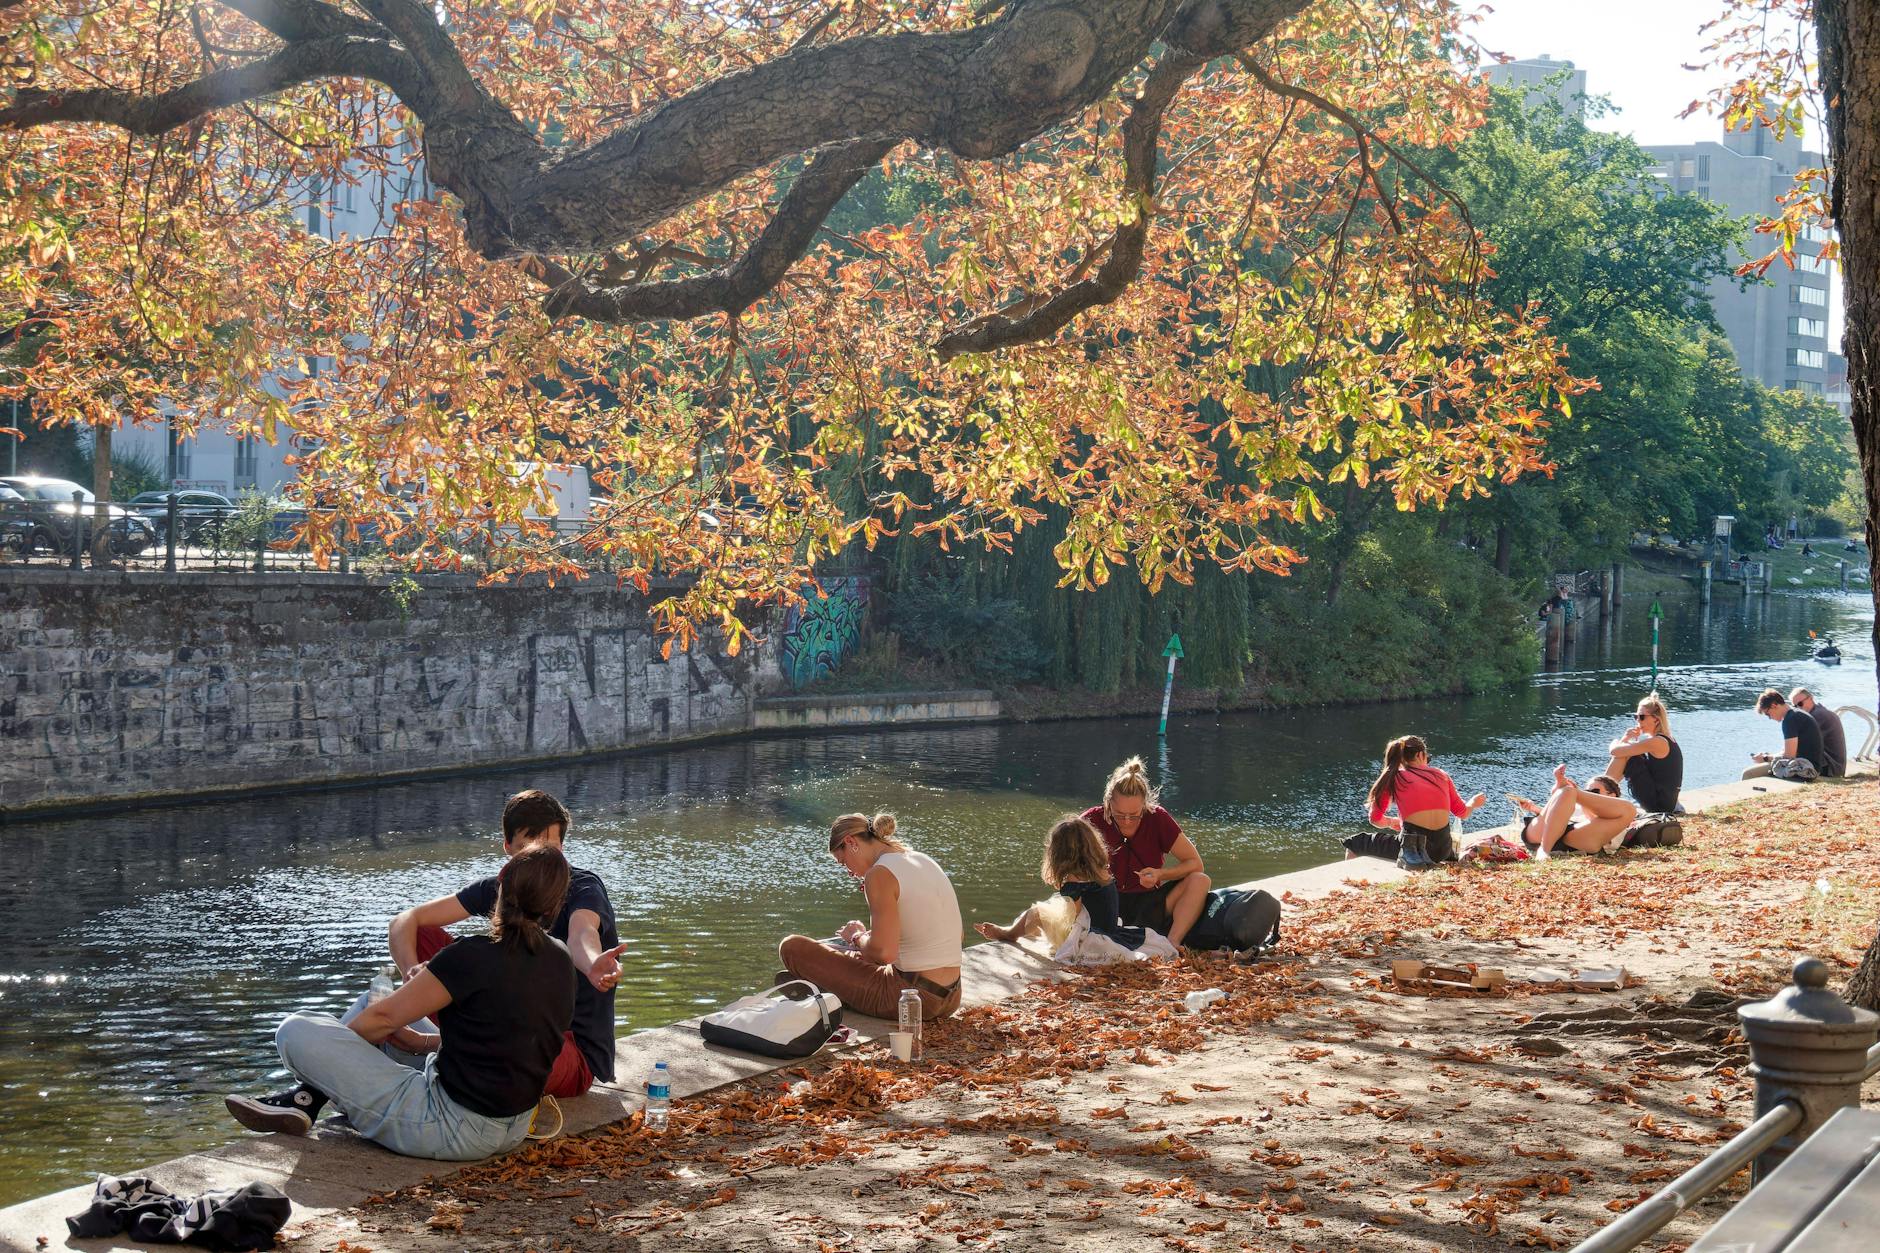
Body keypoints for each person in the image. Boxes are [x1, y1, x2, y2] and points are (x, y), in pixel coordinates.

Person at [224, 844, 577, 1159]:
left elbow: (382, 1021)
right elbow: (513, 1039)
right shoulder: (561, 959)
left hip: (448, 1125)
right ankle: (307, 1101)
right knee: (368, 1003)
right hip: (513, 1126)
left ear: (499, 892)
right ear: (555, 906)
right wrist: (419, 1041)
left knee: (297, 1031)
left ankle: (309, 1095)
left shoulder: (471, 956)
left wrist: (329, 1061)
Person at [384, 789, 621, 1097]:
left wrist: (592, 964)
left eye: (550, 846)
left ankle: (429, 1049)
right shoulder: (502, 888)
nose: (541, 858)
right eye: (528, 847)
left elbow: (582, 934)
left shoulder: (583, 888)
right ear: (508, 847)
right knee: (421, 935)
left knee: (384, 1023)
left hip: (566, 1051)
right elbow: (405, 920)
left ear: (562, 845)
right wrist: (411, 971)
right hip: (504, 1031)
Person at [779, 813, 963, 1021]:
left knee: (792, 947)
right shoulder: (922, 859)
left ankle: (824, 988)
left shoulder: (879, 874)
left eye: (843, 862)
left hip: (911, 999)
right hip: (952, 996)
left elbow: (884, 953)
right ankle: (830, 984)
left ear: (850, 842)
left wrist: (857, 937)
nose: (848, 872)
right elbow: (956, 936)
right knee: (862, 955)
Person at [973, 815, 1179, 963]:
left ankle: (1009, 933)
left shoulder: (1074, 881)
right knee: (1048, 912)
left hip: (1090, 936)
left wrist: (1058, 929)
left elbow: (1078, 917)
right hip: (1110, 929)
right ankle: (1018, 931)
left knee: (1037, 913)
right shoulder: (1102, 871)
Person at [1082, 757, 1211, 947]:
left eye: (1134, 815)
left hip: (1149, 904)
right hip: (1105, 904)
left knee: (1200, 880)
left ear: (1145, 805)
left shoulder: (1157, 817)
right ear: (1108, 803)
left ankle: (1172, 943)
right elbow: (1065, 865)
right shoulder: (1091, 819)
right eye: (1119, 815)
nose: (1126, 821)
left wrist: (1161, 873)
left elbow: (1195, 863)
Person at [1362, 735, 1487, 869]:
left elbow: (1375, 819)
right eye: (1427, 757)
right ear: (1420, 754)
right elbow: (1462, 813)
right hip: (1443, 850)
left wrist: (1391, 822)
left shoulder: (1394, 777)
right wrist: (1473, 802)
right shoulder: (1441, 775)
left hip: (1414, 851)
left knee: (1355, 842)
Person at [1512, 769, 1638, 857]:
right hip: (1543, 834)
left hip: (1577, 838)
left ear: (1611, 795)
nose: (1588, 794)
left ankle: (1545, 849)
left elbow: (1592, 819)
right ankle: (1544, 850)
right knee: (1567, 793)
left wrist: (1579, 795)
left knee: (1629, 808)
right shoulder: (1575, 801)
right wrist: (1534, 809)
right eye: (1586, 791)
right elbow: (1557, 816)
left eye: (1594, 791)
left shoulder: (1617, 811)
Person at [1603, 694, 1683, 813]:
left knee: (1628, 754)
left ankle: (1601, 794)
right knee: (1629, 753)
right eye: (1636, 717)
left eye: (1641, 717)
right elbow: (1620, 751)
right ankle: (1603, 793)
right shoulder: (1666, 738)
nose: (1638, 721)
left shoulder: (1657, 742)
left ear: (1656, 719)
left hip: (1659, 805)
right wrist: (1625, 739)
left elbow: (1615, 751)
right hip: (1664, 801)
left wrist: (1617, 742)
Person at [1744, 688, 1824, 777]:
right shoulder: (1796, 714)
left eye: (1768, 714)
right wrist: (1768, 756)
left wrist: (1765, 758)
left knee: (1748, 774)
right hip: (1810, 766)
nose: (1770, 718)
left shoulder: (1790, 720)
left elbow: (1789, 756)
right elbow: (1788, 752)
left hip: (1806, 769)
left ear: (1774, 705)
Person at [1789, 687, 1848, 777]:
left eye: (1800, 704)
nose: (1798, 708)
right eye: (1795, 706)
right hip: (1834, 766)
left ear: (1811, 698)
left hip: (1831, 768)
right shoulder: (1819, 711)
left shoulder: (1818, 716)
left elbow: (1797, 745)